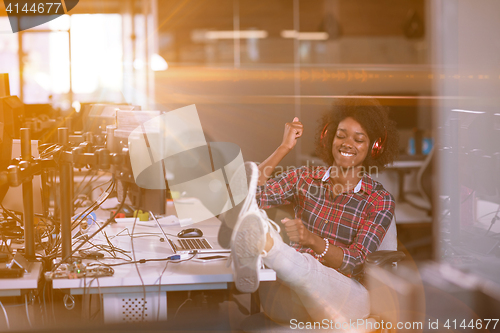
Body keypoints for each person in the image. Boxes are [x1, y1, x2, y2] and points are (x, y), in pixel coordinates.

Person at [224, 98, 399, 327]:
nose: (347, 144)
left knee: (307, 268)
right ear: (329, 138)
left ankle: (269, 245)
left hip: (348, 296)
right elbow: (245, 196)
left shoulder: (379, 200)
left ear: (374, 147)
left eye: (359, 139)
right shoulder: (305, 178)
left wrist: (312, 240)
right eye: (341, 135)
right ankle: (268, 244)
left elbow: (355, 261)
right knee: (299, 275)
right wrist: (284, 147)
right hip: (296, 292)